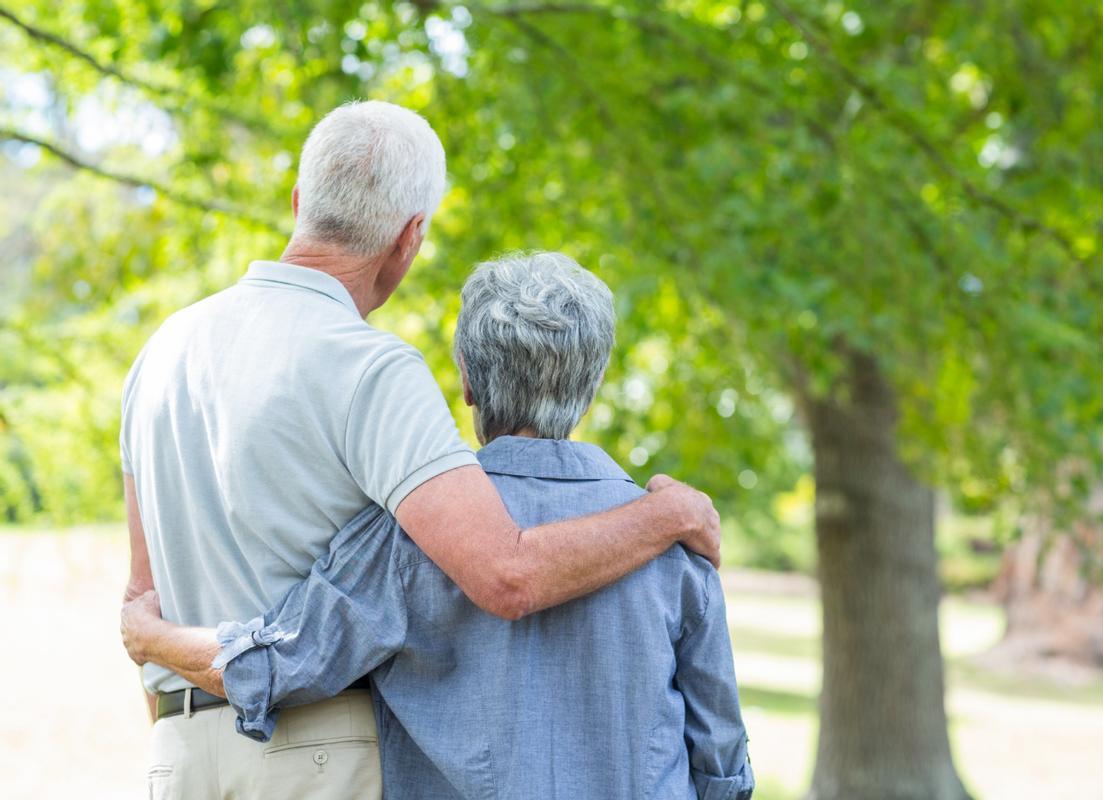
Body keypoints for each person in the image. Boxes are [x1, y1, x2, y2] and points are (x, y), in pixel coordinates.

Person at [119, 101, 721, 799]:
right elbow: (506, 574)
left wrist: (165, 679)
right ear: (410, 237)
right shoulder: (367, 366)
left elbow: (144, 596)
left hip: (177, 748)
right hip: (314, 754)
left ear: (297, 202)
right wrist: (667, 516)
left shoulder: (161, 351)